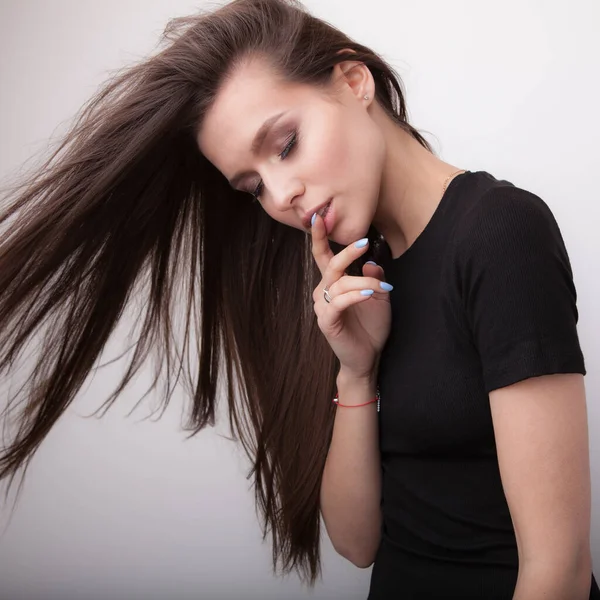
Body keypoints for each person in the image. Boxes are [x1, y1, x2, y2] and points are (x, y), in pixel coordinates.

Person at [0, 0, 597, 598]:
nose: (282, 194)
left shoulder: (502, 233)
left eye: (285, 145)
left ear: (353, 80)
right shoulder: (356, 280)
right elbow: (357, 542)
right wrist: (356, 372)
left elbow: (559, 570)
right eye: (253, 186)